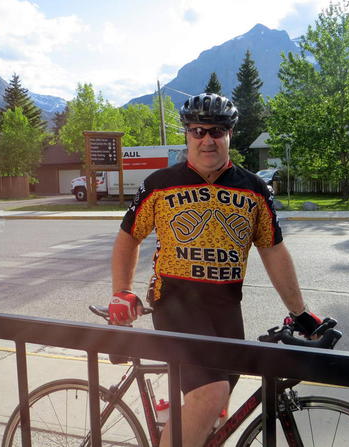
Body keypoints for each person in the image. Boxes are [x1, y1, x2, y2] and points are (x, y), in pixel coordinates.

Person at [109, 93, 325, 447]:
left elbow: (273, 250)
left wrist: (300, 314)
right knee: (210, 395)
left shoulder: (255, 189)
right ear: (187, 134)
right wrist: (121, 290)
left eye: (217, 131)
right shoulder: (160, 184)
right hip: (176, 303)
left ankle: (176, 428)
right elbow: (127, 238)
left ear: (229, 134)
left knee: (214, 403)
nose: (207, 139)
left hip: (226, 308)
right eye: (198, 130)